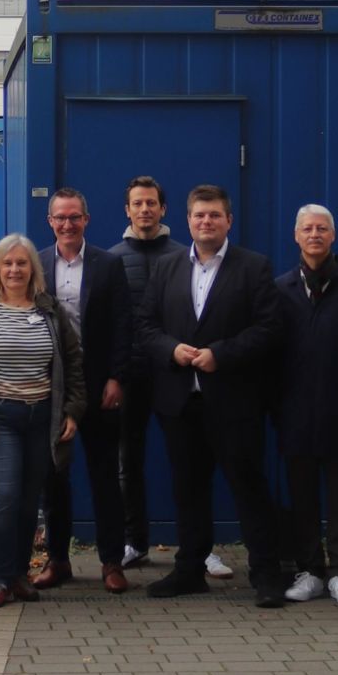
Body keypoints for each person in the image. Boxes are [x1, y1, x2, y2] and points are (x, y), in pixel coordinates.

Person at [137, 184, 285, 606]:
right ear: (187, 220)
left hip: (234, 402)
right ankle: (189, 571)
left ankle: (267, 574)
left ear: (228, 221)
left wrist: (222, 354)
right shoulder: (166, 268)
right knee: (188, 490)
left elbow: (270, 329)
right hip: (180, 403)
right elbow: (145, 326)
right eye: (199, 215)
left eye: (215, 215)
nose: (206, 222)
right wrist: (171, 349)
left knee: (249, 488)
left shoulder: (253, 267)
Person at [0, 234, 86, 611]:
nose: (14, 270)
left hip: (43, 418)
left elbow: (74, 364)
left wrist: (73, 410)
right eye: (7, 263)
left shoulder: (50, 310)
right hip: (0, 420)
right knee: (5, 497)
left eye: (21, 263)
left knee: (30, 502)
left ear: (32, 269)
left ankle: (19, 575)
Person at [273, 207, 338, 608]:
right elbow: (272, 355)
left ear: (333, 236)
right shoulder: (280, 289)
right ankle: (310, 571)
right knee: (301, 496)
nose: (314, 234)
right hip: (294, 411)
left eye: (322, 228)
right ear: (296, 236)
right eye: (307, 228)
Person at [37, 187, 133, 591]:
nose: (67, 224)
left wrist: (116, 377)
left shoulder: (109, 264)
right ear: (50, 221)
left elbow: (123, 324)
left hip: (98, 384)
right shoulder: (38, 264)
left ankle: (111, 562)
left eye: (74, 217)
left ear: (86, 220)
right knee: (53, 476)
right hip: (51, 386)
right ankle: (58, 560)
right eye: (60, 217)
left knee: (104, 474)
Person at [114, 177, 203, 570]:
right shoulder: (111, 259)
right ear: (127, 210)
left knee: (188, 463)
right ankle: (135, 542)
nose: (145, 210)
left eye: (152, 203)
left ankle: (199, 545)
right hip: (129, 376)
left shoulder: (187, 257)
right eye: (138, 204)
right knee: (127, 462)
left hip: (175, 375)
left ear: (163, 210)